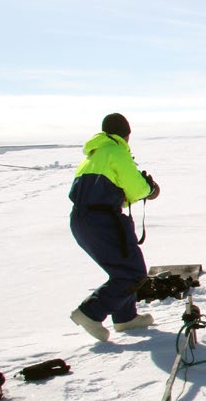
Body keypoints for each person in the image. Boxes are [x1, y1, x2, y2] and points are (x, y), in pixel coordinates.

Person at [69, 113, 161, 342]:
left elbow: (115, 194)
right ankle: (90, 312)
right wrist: (149, 188)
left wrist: (135, 193)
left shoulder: (94, 154)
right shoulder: (117, 152)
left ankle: (125, 317)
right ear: (126, 134)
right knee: (133, 273)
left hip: (83, 220)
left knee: (124, 269)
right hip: (102, 220)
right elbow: (136, 189)